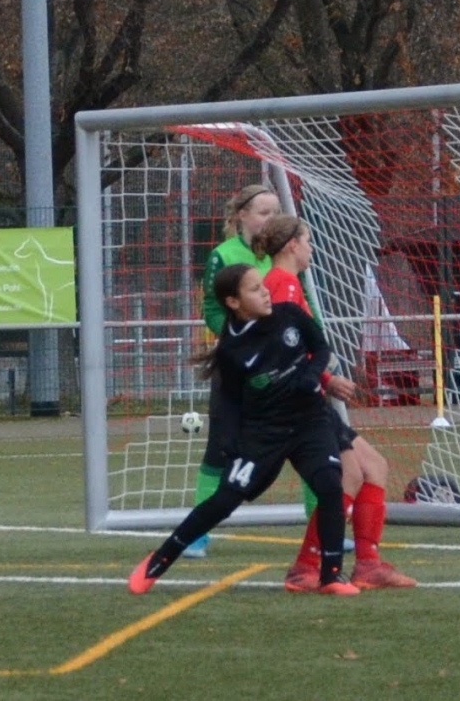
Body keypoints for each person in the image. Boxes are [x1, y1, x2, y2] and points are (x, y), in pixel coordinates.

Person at [129, 263, 358, 596]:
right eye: (254, 289)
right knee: (225, 500)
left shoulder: (290, 315)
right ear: (233, 302)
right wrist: (230, 442)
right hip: (263, 434)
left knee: (329, 486)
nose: (265, 292)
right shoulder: (232, 350)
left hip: (309, 421)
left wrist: (311, 377)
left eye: (262, 285)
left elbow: (321, 348)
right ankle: (159, 560)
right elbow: (230, 402)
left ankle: (331, 576)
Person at [254, 214, 415, 591]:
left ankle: (368, 565)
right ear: (292, 245)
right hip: (299, 400)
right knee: (350, 474)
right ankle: (306, 567)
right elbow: (284, 346)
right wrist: (327, 379)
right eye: (308, 241)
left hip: (305, 395)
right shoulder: (283, 284)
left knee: (373, 467)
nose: (311, 249)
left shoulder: (284, 283)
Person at [185, 183, 283, 557]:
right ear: (242, 215)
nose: (271, 219)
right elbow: (211, 309)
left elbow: (303, 301)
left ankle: (323, 531)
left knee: (313, 446)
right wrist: (237, 341)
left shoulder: (284, 252)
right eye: (264, 212)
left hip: (284, 365)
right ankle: (197, 533)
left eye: (276, 212)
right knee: (220, 448)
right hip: (239, 366)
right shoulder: (223, 255)